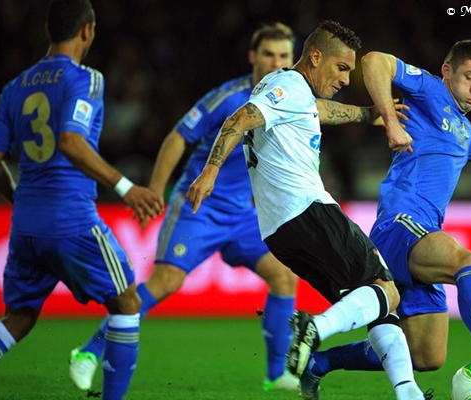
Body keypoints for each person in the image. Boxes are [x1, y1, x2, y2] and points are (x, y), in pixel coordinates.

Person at [297, 40, 471, 396]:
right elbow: (375, 61)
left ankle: (319, 363)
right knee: (466, 261)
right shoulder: (429, 90)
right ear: (447, 71)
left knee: (426, 355)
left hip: (420, 234)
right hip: (401, 224)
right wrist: (391, 123)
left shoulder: (463, 131)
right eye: (469, 76)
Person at [188, 20, 432, 400]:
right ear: (315, 56)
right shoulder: (285, 87)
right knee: (388, 291)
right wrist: (210, 172)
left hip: (280, 232)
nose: (347, 79)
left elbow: (319, 110)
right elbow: (238, 119)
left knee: (375, 305)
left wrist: (367, 115)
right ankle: (313, 330)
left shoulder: (293, 91)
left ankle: (408, 393)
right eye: (342, 68)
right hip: (306, 210)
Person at [69, 22, 302, 392]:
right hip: (200, 208)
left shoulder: (293, 98)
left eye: (284, 55)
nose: (276, 62)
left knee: (284, 276)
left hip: (243, 215)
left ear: (293, 59)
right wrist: (157, 190)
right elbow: (178, 137)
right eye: (269, 54)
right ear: (253, 57)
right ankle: (89, 352)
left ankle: (275, 373)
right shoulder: (227, 98)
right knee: (166, 282)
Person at [0, 1, 164, 399]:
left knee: (18, 316)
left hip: (26, 224)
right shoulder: (87, 80)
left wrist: (17, 198)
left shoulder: (13, 88)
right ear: (88, 31)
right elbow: (70, 141)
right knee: (127, 303)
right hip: (71, 219)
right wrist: (126, 187)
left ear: (50, 28)